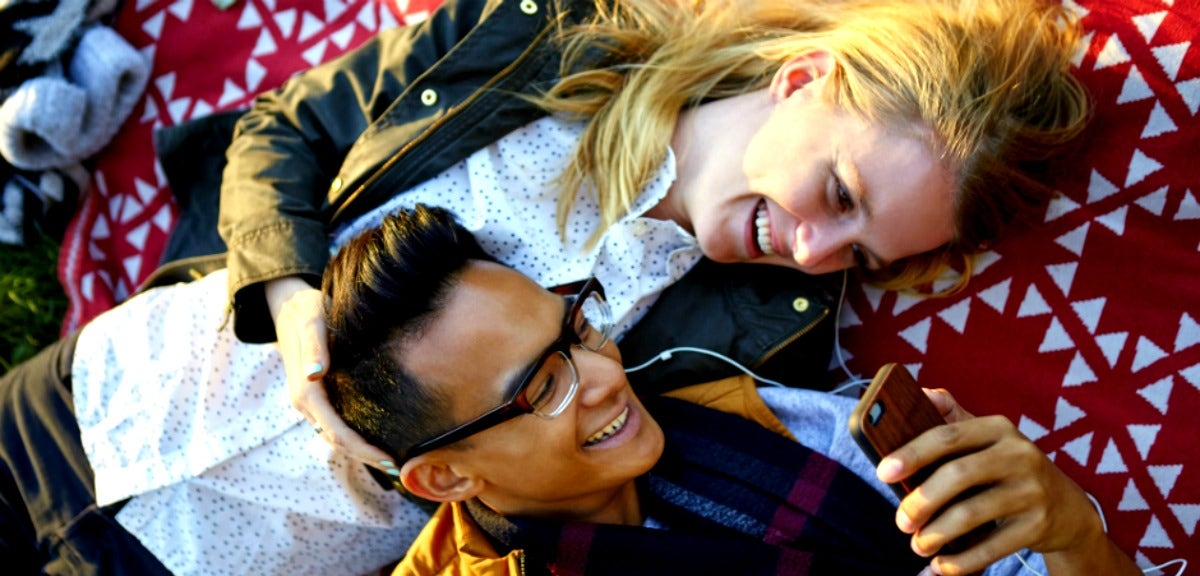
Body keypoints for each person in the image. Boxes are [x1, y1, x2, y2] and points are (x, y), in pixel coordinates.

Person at [169, 0, 1092, 470]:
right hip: (124, 385)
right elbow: (284, 129)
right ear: (809, 78)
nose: (814, 254)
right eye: (840, 195)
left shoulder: (766, 342)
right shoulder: (547, 34)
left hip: (226, 569)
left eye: (859, 254)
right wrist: (292, 303)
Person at [320, 205, 1152, 576]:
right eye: (543, 387)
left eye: (577, 331)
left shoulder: (762, 426)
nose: (607, 377)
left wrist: (1072, 533)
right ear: (444, 480)